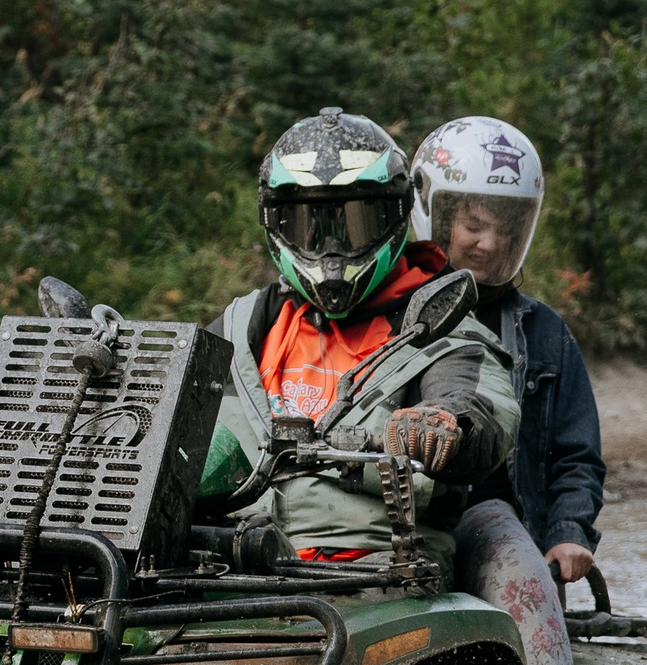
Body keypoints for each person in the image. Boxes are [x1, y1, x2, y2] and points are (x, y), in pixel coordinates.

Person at [199, 107, 520, 588]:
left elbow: (482, 406)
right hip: (230, 566)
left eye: (355, 222)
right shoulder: (244, 323)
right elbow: (162, 395)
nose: (331, 247)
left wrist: (445, 423)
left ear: (393, 217)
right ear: (275, 224)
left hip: (381, 573)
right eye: (309, 225)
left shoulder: (445, 328)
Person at [410, 115, 606, 665]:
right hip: (400, 528)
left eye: (506, 228)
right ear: (435, 216)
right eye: (473, 225)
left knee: (504, 537)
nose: (489, 244)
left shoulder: (545, 333)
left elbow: (578, 454)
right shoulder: (388, 315)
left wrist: (569, 531)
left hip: (498, 529)